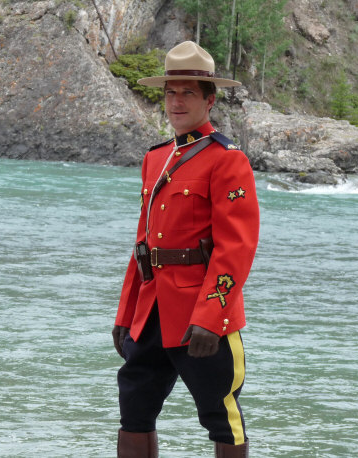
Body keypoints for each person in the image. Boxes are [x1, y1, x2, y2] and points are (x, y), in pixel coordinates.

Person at [112, 41, 260, 458]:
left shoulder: (227, 160)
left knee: (220, 414)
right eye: (170, 93)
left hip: (199, 309)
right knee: (134, 409)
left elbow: (236, 246)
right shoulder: (155, 157)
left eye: (188, 93)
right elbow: (143, 244)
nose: (176, 102)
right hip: (152, 309)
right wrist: (126, 314)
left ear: (209, 100)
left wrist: (212, 317)